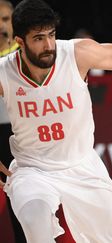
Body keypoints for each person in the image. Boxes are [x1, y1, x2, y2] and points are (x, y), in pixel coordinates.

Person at [0, 0, 112, 242]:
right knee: (36, 222)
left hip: (82, 165)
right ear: (20, 42)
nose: (48, 45)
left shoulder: (76, 54)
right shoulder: (5, 71)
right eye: (38, 39)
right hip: (33, 170)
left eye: (51, 35)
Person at [0, 1, 25, 242]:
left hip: (20, 135)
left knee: (24, 204)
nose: (1, 25)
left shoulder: (25, 56)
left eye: (6, 19)